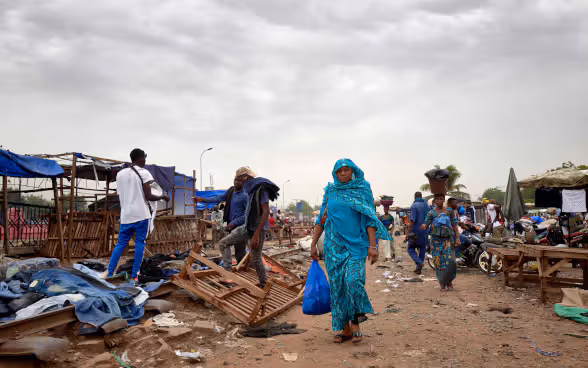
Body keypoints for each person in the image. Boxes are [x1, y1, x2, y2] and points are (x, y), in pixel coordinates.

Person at [310, 159, 391, 344]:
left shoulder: (362, 190)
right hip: (333, 247)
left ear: (353, 171)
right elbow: (322, 219)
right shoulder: (330, 193)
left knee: (353, 281)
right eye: (339, 171)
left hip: (356, 246)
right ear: (335, 174)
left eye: (346, 170)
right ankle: (344, 328)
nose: (342, 173)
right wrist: (314, 243)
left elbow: (369, 218)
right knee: (338, 287)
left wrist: (373, 246)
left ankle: (355, 321)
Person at [107, 149, 170, 283]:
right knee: (140, 244)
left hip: (126, 215)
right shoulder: (143, 172)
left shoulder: (120, 174)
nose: (145, 161)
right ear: (140, 158)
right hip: (141, 215)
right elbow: (149, 195)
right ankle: (135, 275)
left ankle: (110, 273)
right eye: (144, 158)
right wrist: (162, 196)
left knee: (120, 244)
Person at [212, 167, 279, 288]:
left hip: (257, 229)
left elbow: (265, 212)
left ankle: (264, 286)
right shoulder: (250, 190)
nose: (238, 182)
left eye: (239, 179)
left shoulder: (261, 190)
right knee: (223, 243)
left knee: (255, 259)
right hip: (246, 226)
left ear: (246, 178)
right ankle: (227, 274)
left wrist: (256, 235)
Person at [194, 176, 249, 267]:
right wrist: (203, 199)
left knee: (238, 251)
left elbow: (247, 215)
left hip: (240, 227)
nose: (236, 182)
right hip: (230, 226)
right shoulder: (231, 191)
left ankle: (234, 268)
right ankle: (228, 268)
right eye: (235, 180)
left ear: (244, 183)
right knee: (225, 244)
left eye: (239, 181)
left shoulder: (245, 196)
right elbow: (218, 198)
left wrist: (234, 223)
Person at [421, 194, 460, 291]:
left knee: (451, 261)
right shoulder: (431, 213)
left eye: (440, 199)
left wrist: (457, 238)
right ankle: (442, 283)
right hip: (436, 241)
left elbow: (455, 225)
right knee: (438, 262)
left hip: (447, 240)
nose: (438, 201)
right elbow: (426, 223)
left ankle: (449, 280)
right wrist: (424, 226)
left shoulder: (449, 211)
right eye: (437, 199)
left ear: (443, 201)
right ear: (434, 201)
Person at [408, 192, 429, 274]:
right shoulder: (426, 205)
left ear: (415, 197)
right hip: (425, 231)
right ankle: (419, 268)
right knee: (422, 248)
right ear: (421, 196)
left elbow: (412, 220)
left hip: (415, 231)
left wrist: (408, 232)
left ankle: (419, 263)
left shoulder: (414, 205)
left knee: (410, 248)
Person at [447, 198, 472, 262]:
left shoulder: (455, 211)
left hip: (456, 230)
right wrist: (460, 223)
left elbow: (458, 221)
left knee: (468, 241)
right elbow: (452, 222)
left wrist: (466, 225)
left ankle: (462, 254)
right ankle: (455, 255)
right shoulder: (448, 211)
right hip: (449, 232)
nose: (458, 205)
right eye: (456, 203)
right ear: (450, 204)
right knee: (462, 239)